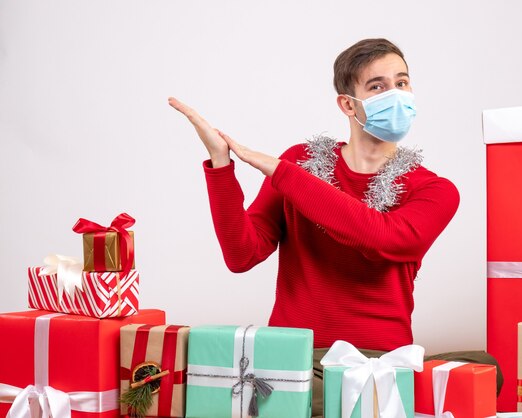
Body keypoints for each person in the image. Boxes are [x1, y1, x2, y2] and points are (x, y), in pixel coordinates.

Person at [170, 38, 501, 417]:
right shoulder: (301, 163)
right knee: (292, 391)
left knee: (487, 369)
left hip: (378, 361)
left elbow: (382, 237)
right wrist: (220, 164)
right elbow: (242, 254)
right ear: (348, 103)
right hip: (297, 358)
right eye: (377, 86)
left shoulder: (435, 190)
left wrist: (280, 172)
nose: (395, 95)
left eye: (402, 83)